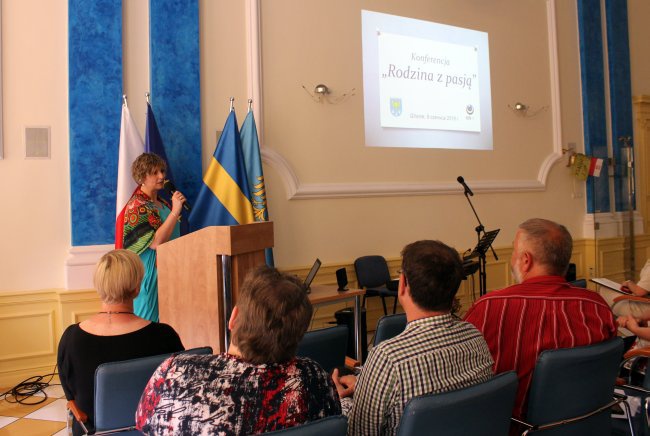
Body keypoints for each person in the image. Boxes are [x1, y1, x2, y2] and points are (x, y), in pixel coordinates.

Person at [135, 266, 341, 435]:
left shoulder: (173, 372)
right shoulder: (314, 381)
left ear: (233, 318)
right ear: (298, 334)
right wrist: (337, 396)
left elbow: (142, 424)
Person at [334, 240, 494, 436]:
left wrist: (341, 400)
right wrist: (368, 386)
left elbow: (359, 433)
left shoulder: (388, 358)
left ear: (402, 285)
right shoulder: (475, 337)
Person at [464, 218, 617, 419]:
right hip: (587, 423)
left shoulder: (488, 308)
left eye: (513, 252)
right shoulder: (597, 307)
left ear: (526, 260)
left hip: (517, 427)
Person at [57, 249, 184, 436]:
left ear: (98, 286)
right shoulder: (164, 336)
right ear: (137, 288)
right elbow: (181, 387)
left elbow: (71, 395)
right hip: (153, 431)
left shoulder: (72, 338)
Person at [120, 152, 186, 322]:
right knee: (148, 325)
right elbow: (156, 242)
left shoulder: (163, 203)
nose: (162, 176)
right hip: (150, 275)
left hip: (171, 270)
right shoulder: (137, 205)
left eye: (162, 171)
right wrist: (175, 211)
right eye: (155, 172)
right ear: (142, 177)